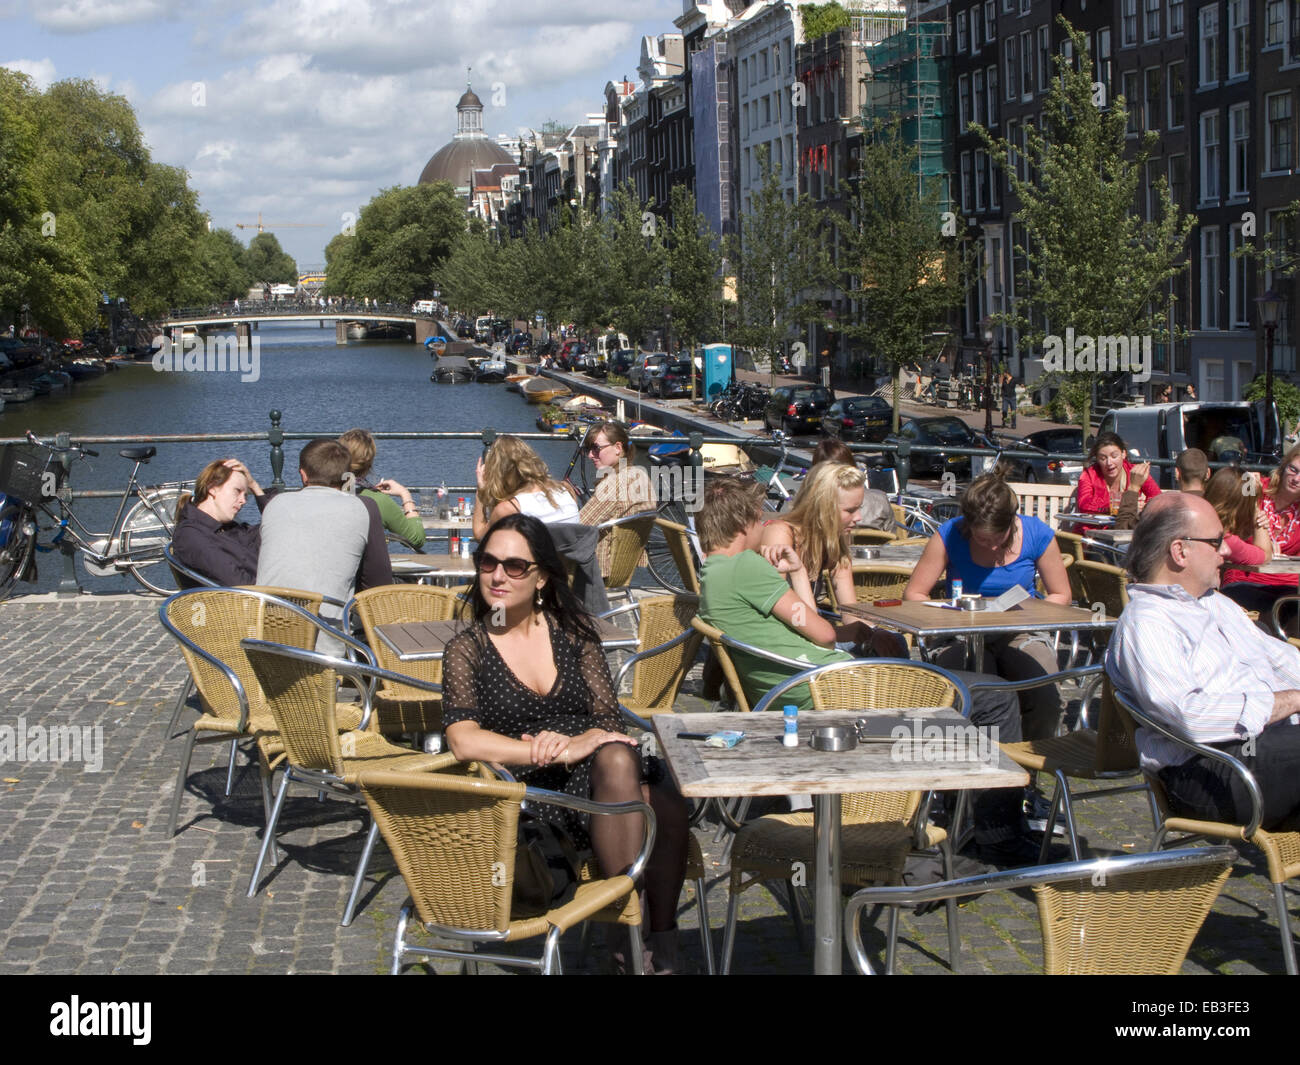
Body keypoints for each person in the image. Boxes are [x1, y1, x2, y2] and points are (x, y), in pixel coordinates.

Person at [699, 476, 1035, 862]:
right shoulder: (745, 566)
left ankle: (953, 816)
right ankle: (997, 837)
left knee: (945, 699)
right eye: (761, 522)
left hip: (798, 690)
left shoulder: (713, 574)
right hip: (834, 691)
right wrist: (794, 575)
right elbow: (823, 634)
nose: (765, 529)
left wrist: (799, 582)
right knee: (993, 696)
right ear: (745, 524)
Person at [441, 514, 689, 972]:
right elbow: (462, 740)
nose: (498, 576)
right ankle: (637, 938)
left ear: (541, 578)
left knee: (629, 768)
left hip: (599, 769)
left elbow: (608, 721)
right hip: (531, 789)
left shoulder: (573, 634)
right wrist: (550, 749)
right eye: (488, 563)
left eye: (515, 566)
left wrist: (580, 742)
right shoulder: (468, 648)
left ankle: (640, 943)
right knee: (660, 805)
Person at [1106, 493, 1300, 831]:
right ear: (1180, 551)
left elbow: (1280, 658)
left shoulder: (1215, 603)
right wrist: (1292, 701)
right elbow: (1191, 717)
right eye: (1216, 541)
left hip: (1265, 752)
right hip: (1211, 771)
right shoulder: (1148, 622)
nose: (1226, 551)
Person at [904, 468, 1070, 741]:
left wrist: (1028, 614)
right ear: (968, 526)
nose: (992, 548)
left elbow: (1061, 594)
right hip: (962, 632)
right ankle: (981, 770)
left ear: (1012, 522)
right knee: (977, 694)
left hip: (1020, 630)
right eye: (982, 539)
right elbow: (915, 594)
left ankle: (1029, 768)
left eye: (999, 539)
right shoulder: (950, 535)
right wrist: (949, 614)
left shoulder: (1037, 535)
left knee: (1046, 696)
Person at [759, 462, 905, 655]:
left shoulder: (834, 539)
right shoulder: (781, 534)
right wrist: (839, 632)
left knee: (893, 641)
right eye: (850, 510)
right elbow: (784, 617)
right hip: (783, 639)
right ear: (822, 507)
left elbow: (850, 612)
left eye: (859, 508)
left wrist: (873, 633)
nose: (859, 517)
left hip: (812, 629)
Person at [256, 439, 392, 644]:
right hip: (326, 650)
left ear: (303, 475)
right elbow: (378, 585)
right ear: (349, 477)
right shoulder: (364, 507)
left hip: (265, 640)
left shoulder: (275, 505)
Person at [576, 421, 656, 576]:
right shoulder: (640, 475)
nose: (590, 455)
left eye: (596, 448)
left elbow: (579, 527)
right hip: (624, 566)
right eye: (588, 448)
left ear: (618, 448)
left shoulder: (612, 485)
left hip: (599, 569)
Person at [171, 459, 267, 585]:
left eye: (245, 495)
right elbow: (238, 582)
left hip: (266, 592)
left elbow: (277, 525)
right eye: (237, 491)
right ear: (212, 488)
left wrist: (254, 485)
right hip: (256, 600)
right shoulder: (192, 536)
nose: (243, 501)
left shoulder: (226, 528)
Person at [471, 435, 579, 540]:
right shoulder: (566, 489)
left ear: (498, 472)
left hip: (537, 557)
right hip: (570, 557)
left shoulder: (508, 509)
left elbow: (480, 534)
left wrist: (481, 491)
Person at [338, 429, 426, 550]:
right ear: (369, 462)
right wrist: (405, 495)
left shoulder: (325, 492)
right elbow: (416, 539)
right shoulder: (377, 501)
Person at [1076, 431, 1161, 531]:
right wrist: (1122, 504)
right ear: (1097, 459)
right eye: (1103, 458)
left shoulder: (1134, 472)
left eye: (1114, 456)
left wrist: (1144, 508)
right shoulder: (1090, 474)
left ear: (1123, 454)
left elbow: (1157, 498)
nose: (1109, 463)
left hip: (1127, 532)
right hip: (1094, 533)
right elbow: (1084, 504)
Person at [809, 438, 894, 531]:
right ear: (852, 465)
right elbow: (893, 538)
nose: (858, 517)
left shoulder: (807, 504)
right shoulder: (880, 499)